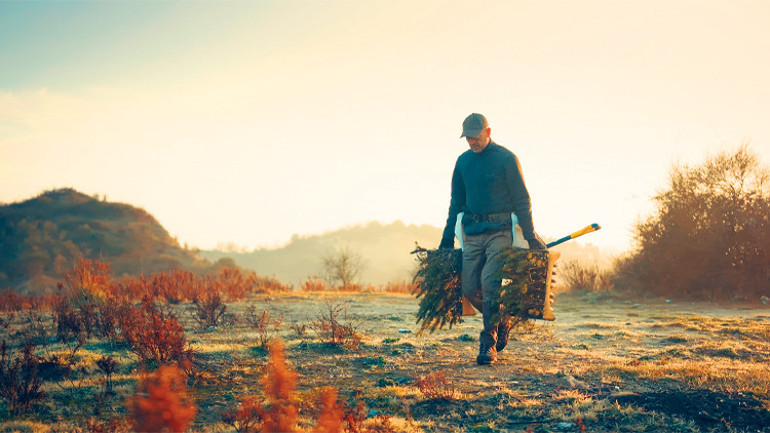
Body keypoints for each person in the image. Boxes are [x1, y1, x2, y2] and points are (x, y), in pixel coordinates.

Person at [439, 113, 546, 365]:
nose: (472, 142)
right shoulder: (463, 162)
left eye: (476, 137)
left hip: (500, 231)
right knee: (468, 288)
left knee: (490, 283)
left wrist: (530, 236)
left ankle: (488, 344)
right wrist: (446, 238)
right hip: (472, 232)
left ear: (488, 132)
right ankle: (502, 318)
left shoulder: (507, 160)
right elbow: (456, 202)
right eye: (468, 138)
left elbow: (522, 200)